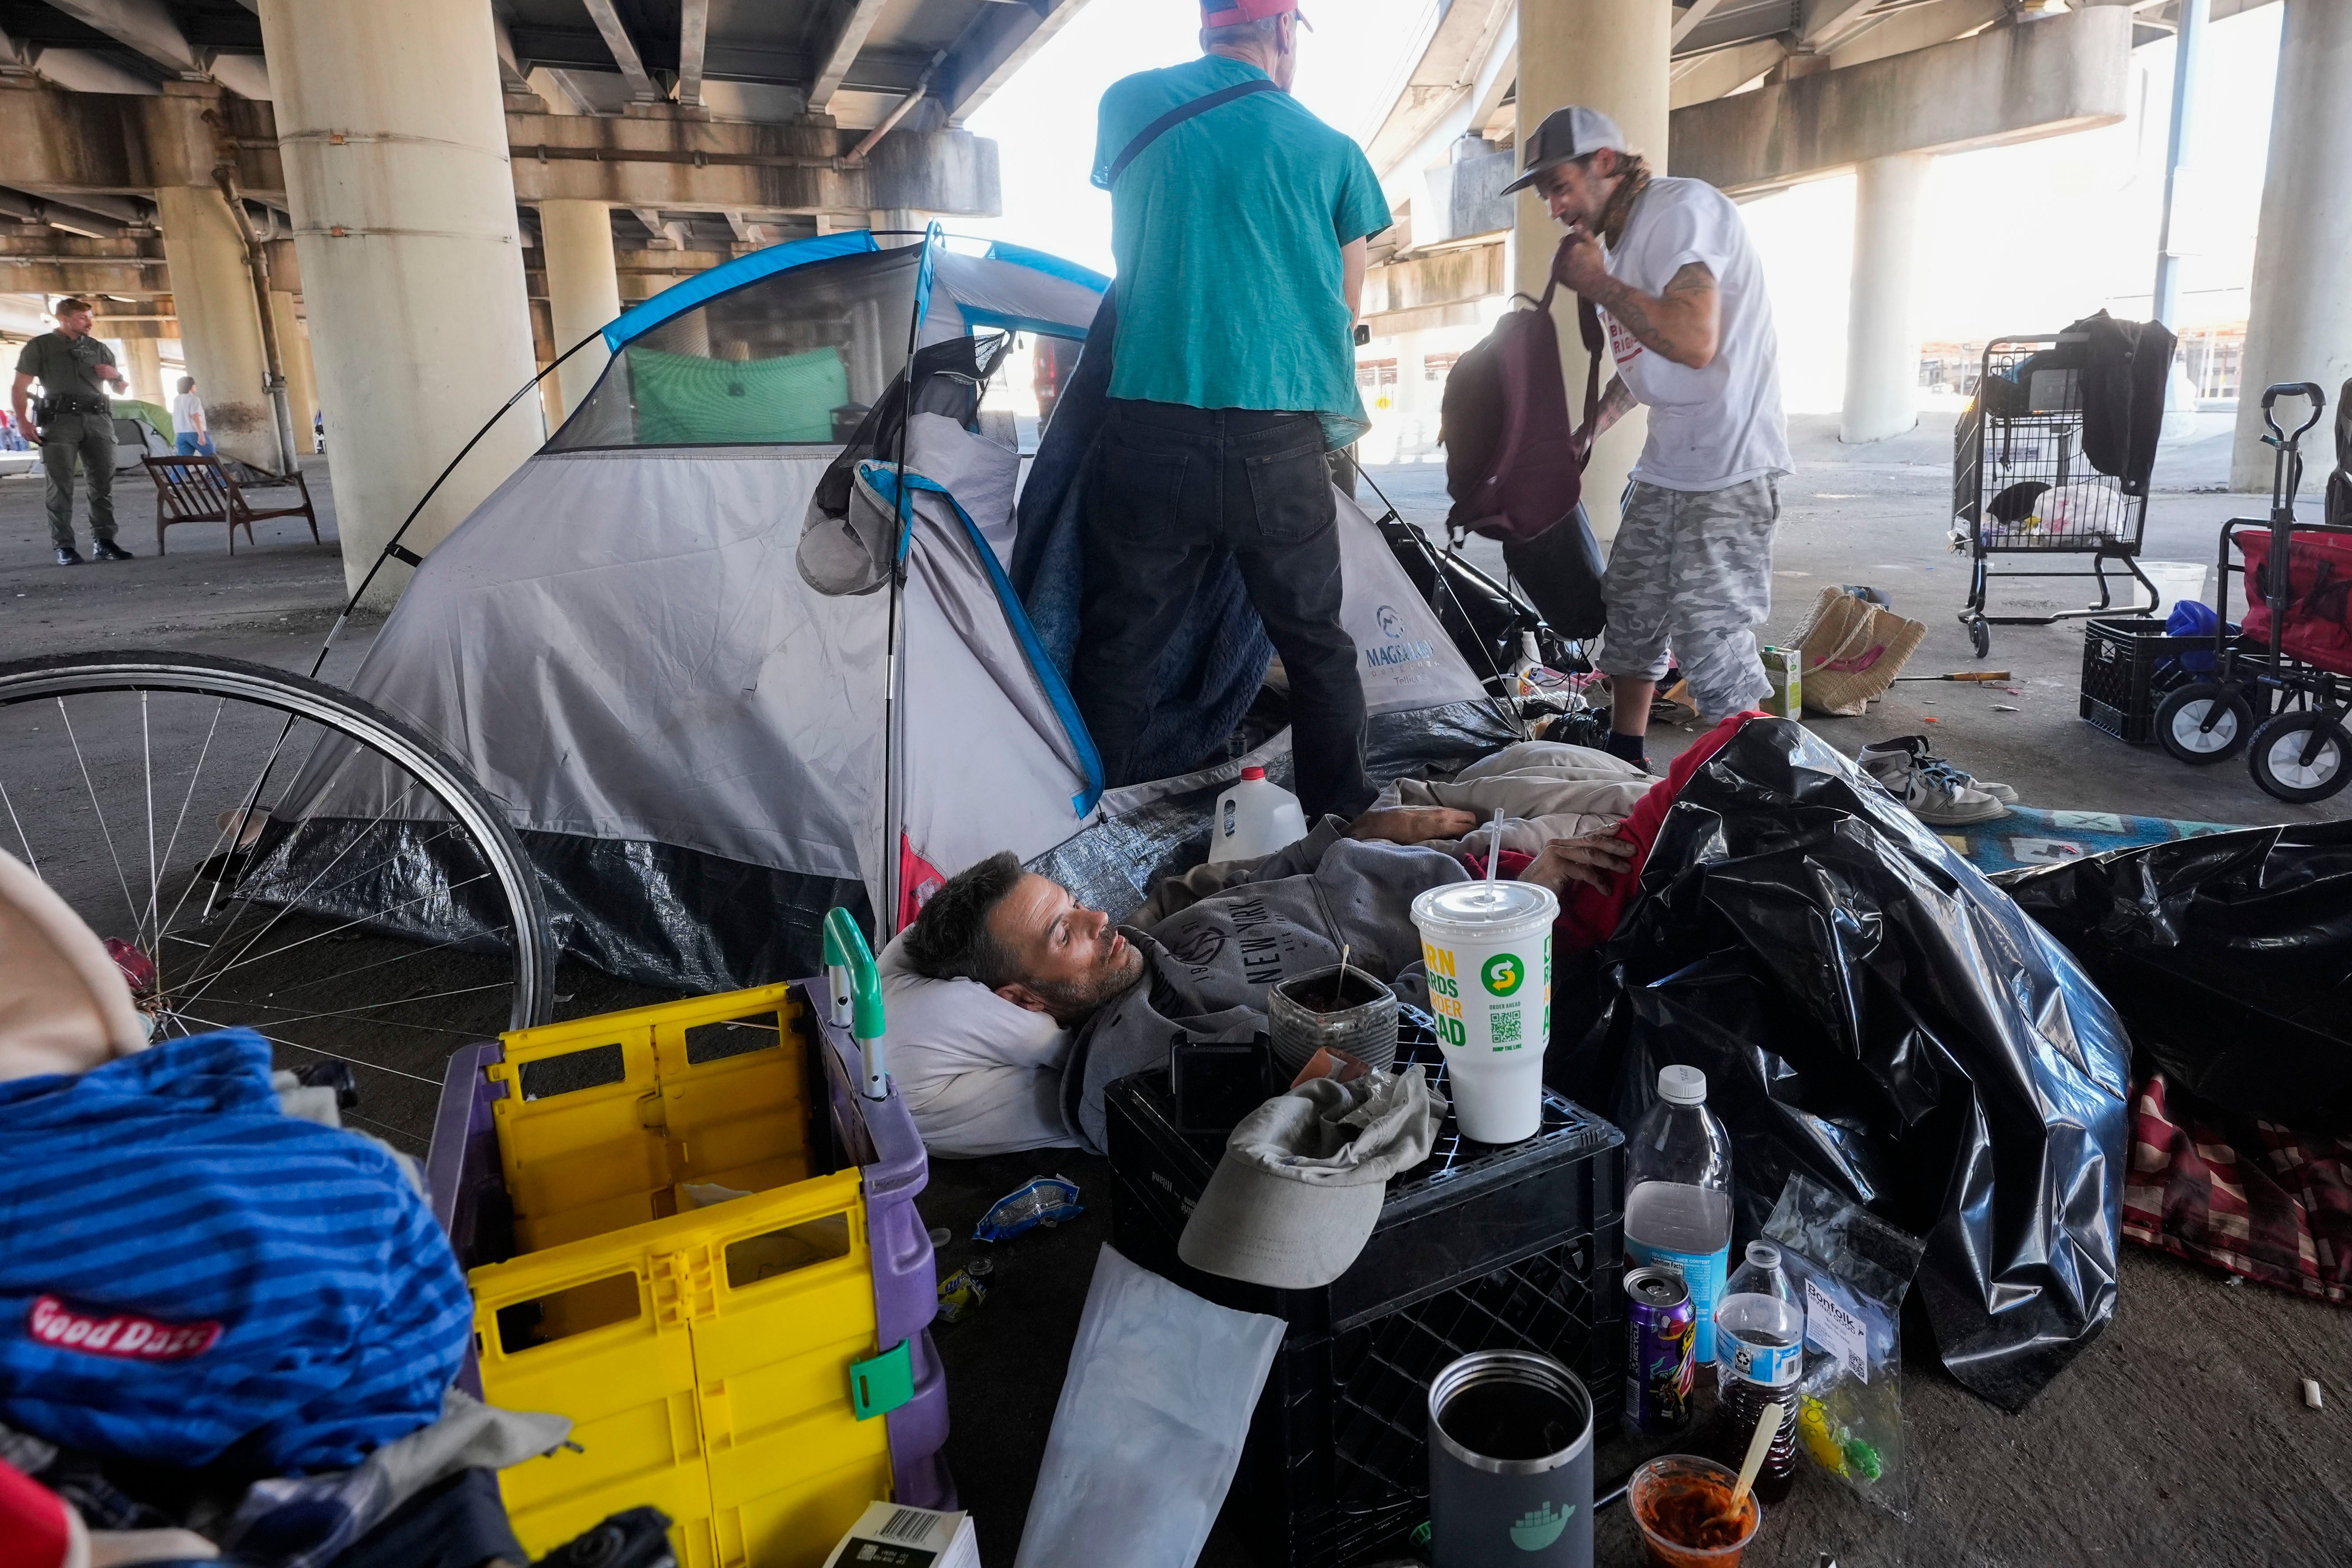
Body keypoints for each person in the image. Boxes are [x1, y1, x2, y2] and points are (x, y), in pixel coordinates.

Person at [1074, 0, 1392, 821]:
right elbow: (1343, 305)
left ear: (1207, 28)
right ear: (1284, 33)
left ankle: (1077, 833)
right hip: (1276, 443)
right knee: (1318, 650)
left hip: (1151, 432)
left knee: (1120, 653)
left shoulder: (1124, 103)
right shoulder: (1334, 152)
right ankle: (1339, 825)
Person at [1503, 107, 1790, 768]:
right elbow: (1649, 359)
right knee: (1630, 611)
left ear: (1606, 162)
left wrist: (1597, 282)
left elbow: (1690, 338)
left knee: (1710, 637)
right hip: (1667, 465)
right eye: (1546, 192)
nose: (1554, 206)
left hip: (1731, 467)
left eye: (1561, 185)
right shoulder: (1620, 241)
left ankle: (1760, 782)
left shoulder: (1681, 212)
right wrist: (1593, 426)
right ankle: (1627, 755)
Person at [11, 298, 136, 565]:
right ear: (64, 319)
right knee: (60, 485)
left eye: (90, 318)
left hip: (98, 421)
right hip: (60, 422)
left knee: (102, 483)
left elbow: (121, 389)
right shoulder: (41, 346)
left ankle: (105, 542)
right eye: (83, 318)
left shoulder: (99, 348)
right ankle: (64, 546)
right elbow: (20, 386)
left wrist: (116, 376)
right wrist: (23, 421)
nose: (90, 323)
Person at [171, 375, 215, 457]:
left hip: (180, 434)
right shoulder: (194, 399)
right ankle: (217, 471)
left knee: (183, 462)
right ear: (191, 387)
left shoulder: (176, 400)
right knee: (211, 457)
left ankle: (176, 470)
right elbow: (195, 417)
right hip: (194, 432)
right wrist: (201, 435)